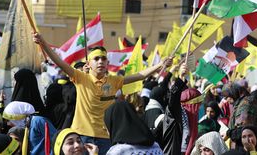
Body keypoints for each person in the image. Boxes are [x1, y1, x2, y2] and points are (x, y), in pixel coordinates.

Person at [33, 32, 172, 154]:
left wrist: (161, 65)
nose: (100, 62)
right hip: (82, 136)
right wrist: (43, 43)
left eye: (103, 59)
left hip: (106, 138)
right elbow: (60, 62)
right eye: (96, 59)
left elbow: (140, 75)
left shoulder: (114, 80)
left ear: (107, 63)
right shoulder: (81, 77)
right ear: (89, 63)